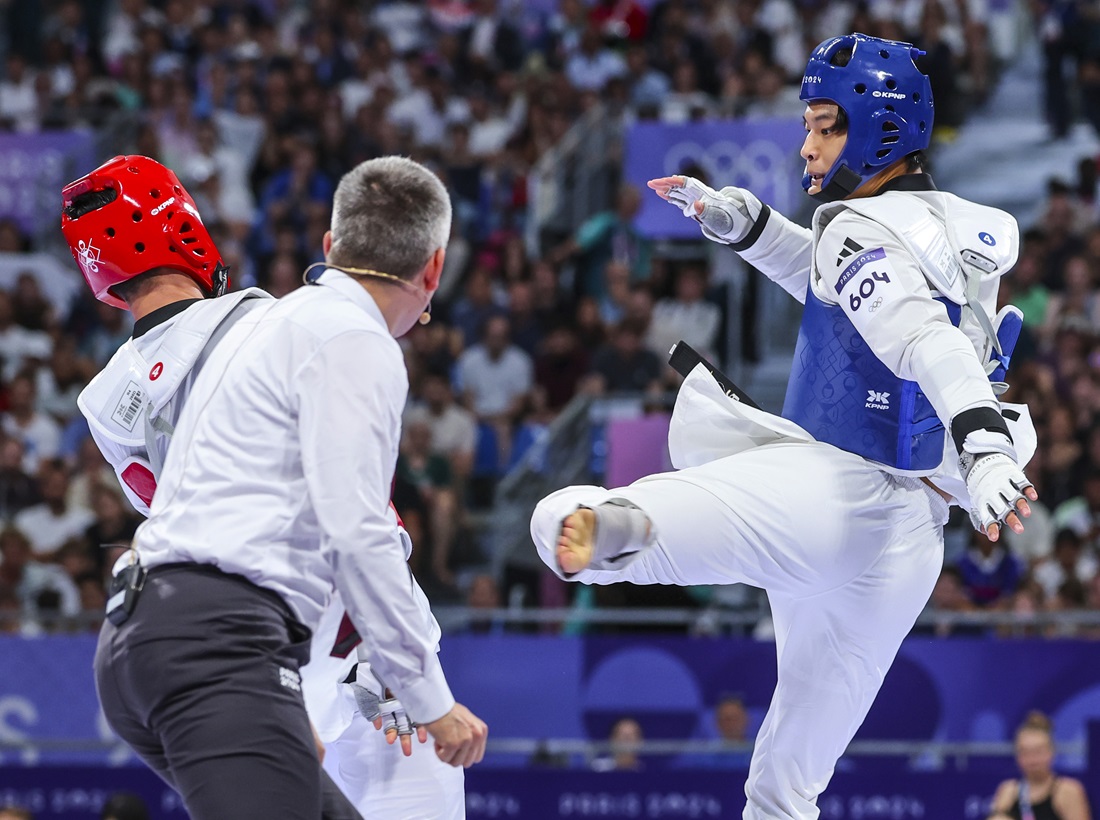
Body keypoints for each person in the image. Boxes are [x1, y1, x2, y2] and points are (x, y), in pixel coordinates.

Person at [530, 33, 1039, 820]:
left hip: (840, 494)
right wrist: (751, 227)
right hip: (909, 547)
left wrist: (982, 441)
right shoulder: (944, 224)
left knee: (559, 516)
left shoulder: (857, 230)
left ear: (878, 126)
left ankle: (623, 526)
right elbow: (846, 287)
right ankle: (629, 528)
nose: (805, 145)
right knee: (782, 788)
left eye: (825, 125)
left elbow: (917, 336)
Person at [83, 155, 485, 820]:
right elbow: (356, 528)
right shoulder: (281, 324)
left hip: (170, 627)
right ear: (434, 269)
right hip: (239, 638)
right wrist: (421, 689)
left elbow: (205, 515)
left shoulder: (110, 398)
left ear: (330, 247)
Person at [986, 711, 1092, 820]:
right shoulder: (1008, 790)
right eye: (1025, 752)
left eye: (1038, 752)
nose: (1032, 760)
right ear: (1017, 756)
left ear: (1051, 752)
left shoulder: (1068, 790)